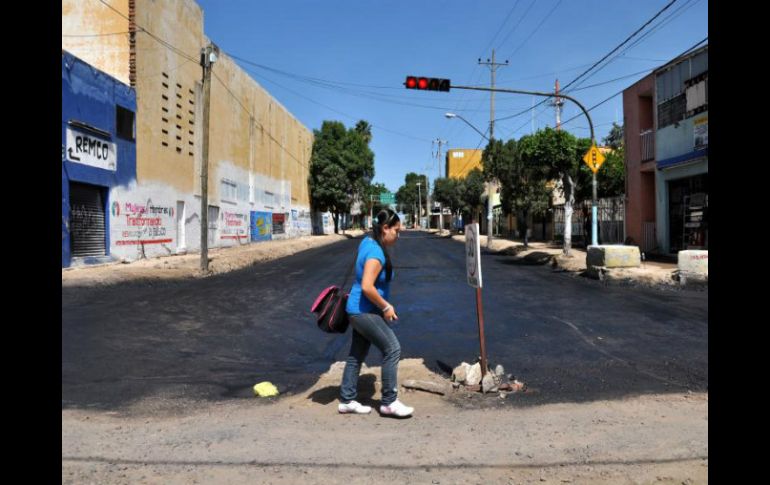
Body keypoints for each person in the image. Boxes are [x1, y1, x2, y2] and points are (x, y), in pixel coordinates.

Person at [338, 209, 413, 417]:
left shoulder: (368, 242)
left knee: (357, 354)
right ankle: (389, 401)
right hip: (363, 311)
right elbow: (367, 286)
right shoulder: (376, 253)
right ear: (385, 228)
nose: (398, 235)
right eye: (396, 230)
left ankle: (347, 400)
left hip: (358, 309)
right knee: (392, 348)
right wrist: (386, 307)